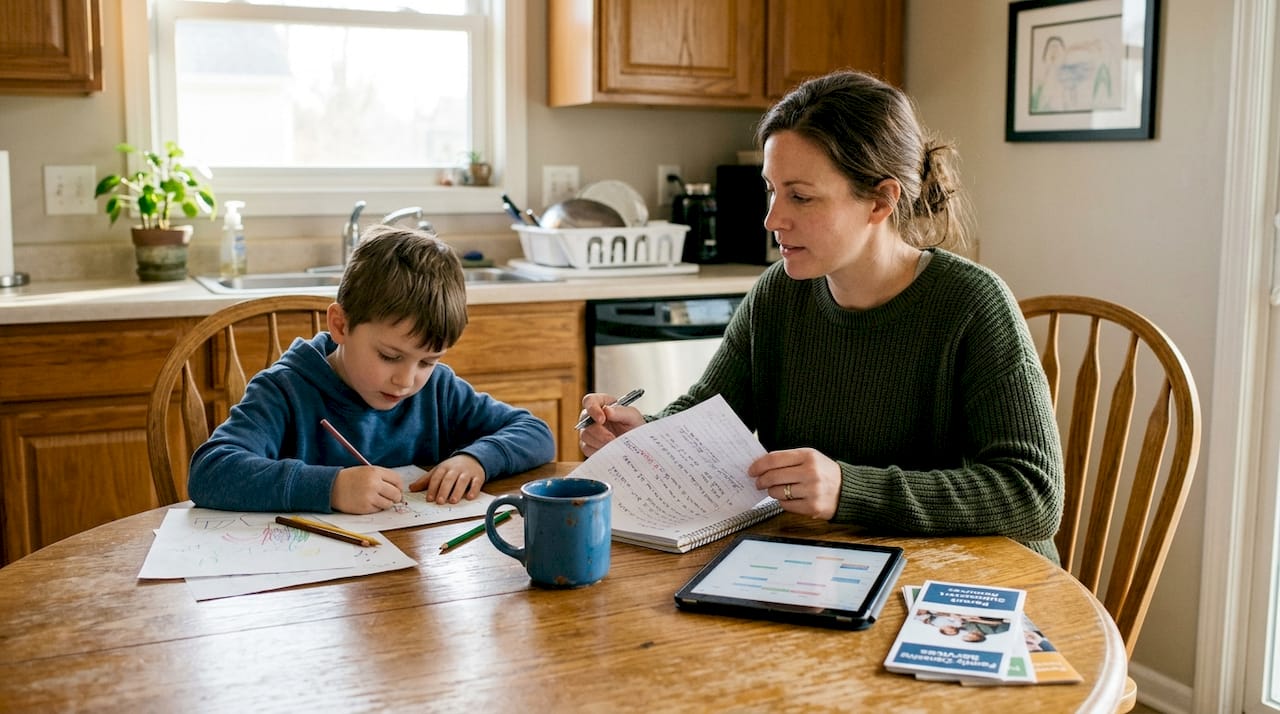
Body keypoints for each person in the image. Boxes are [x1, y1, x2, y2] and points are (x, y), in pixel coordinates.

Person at [578, 69, 1065, 562]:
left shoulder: (973, 305)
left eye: (801, 196)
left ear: (881, 200)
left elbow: (1033, 495)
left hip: (968, 588)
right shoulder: (780, 295)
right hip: (826, 567)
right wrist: (642, 433)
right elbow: (707, 417)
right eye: (771, 190)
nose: (772, 220)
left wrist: (849, 489)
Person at [188, 224, 556, 514]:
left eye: (428, 361)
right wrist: (331, 487)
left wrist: (475, 459)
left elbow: (536, 433)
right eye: (390, 356)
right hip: (313, 593)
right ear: (341, 326)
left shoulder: (437, 390)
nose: (406, 380)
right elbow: (210, 473)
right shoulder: (283, 390)